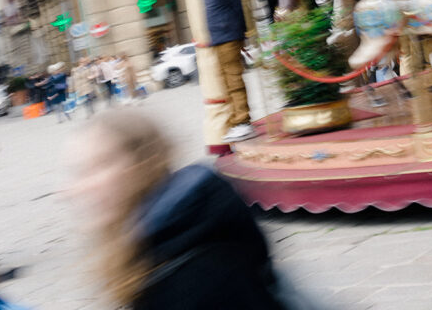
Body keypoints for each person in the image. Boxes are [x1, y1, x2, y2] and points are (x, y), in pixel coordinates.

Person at [69, 108, 289, 310]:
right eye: (78, 172)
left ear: (142, 166)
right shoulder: (152, 243)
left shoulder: (198, 278)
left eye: (99, 166)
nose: (75, 189)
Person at [197, 0, 255, 143]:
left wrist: (243, 35)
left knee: (234, 81)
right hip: (217, 40)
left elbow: (239, 9)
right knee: (226, 84)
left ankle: (243, 122)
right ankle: (238, 121)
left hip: (230, 37)